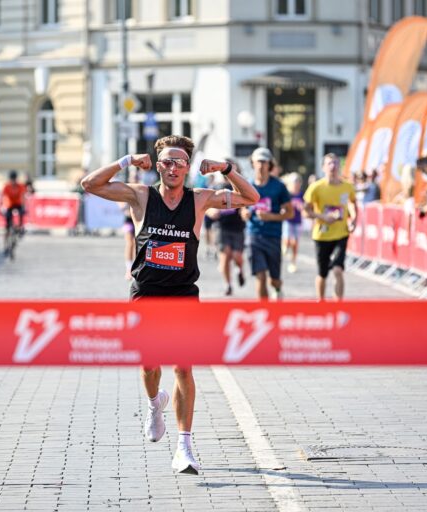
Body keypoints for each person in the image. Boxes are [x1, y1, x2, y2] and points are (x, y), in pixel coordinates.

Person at [80, 135, 259, 475]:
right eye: (166, 161)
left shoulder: (201, 198)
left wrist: (225, 168)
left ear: (188, 167)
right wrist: (127, 161)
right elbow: (89, 184)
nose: (172, 168)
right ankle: (153, 405)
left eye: (179, 162)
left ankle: (185, 446)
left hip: (182, 294)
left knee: (183, 368)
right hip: (145, 292)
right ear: (157, 165)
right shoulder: (140, 195)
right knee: (150, 366)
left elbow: (252, 197)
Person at [303, 153, 358, 301]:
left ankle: (337, 305)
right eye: (329, 164)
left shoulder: (347, 187)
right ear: (323, 168)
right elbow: (305, 211)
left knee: (338, 270)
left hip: (341, 233)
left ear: (339, 167)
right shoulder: (316, 187)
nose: (333, 166)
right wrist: (323, 217)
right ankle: (321, 303)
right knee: (323, 273)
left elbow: (353, 203)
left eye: (335, 163)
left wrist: (353, 219)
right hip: (322, 235)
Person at [241, 147, 293, 300]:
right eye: (258, 161)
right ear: (253, 163)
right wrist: (245, 213)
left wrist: (270, 216)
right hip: (254, 236)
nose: (261, 165)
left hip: (273, 236)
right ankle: (264, 310)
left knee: (274, 279)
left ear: (270, 164)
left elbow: (290, 213)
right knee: (261, 276)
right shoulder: (247, 185)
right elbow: (242, 209)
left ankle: (277, 289)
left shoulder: (279, 186)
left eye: (264, 162)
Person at [209, 161, 247, 295]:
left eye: (233, 171)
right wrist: (211, 212)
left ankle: (240, 270)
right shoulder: (217, 187)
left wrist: (244, 212)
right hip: (221, 227)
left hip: (237, 227)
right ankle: (228, 284)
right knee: (225, 256)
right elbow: (207, 206)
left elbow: (246, 205)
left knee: (237, 256)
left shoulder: (241, 187)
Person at [0, 170, 26, 255]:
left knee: (22, 212)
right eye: (12, 179)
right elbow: (2, 197)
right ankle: (6, 246)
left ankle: (20, 228)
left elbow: (23, 197)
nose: (13, 181)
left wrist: (24, 207)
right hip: (9, 205)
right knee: (7, 227)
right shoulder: (6, 186)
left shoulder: (20, 186)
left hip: (18, 204)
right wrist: (1, 207)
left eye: (14, 179)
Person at [282, 173, 304, 274]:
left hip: (297, 221)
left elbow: (305, 207)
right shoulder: (287, 194)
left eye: (297, 182)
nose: (296, 184)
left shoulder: (301, 195)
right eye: (294, 182)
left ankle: (293, 262)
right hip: (288, 220)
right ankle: (284, 246)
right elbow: (282, 205)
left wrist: (302, 207)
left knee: (295, 243)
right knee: (288, 241)